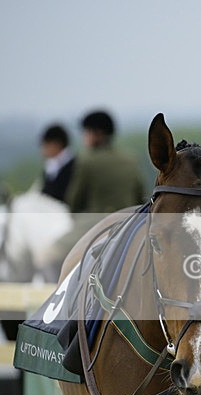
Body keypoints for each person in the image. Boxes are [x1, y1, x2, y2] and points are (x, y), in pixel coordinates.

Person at [46, 109, 147, 275]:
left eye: (86, 132)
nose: (84, 137)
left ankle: (61, 297)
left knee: (47, 257)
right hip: (129, 223)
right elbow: (140, 195)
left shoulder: (86, 161)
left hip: (96, 223)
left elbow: (74, 202)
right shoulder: (131, 159)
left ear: (97, 134)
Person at [39, 123, 76, 205]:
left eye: (46, 146)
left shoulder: (75, 165)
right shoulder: (50, 166)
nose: (43, 151)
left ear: (56, 144)